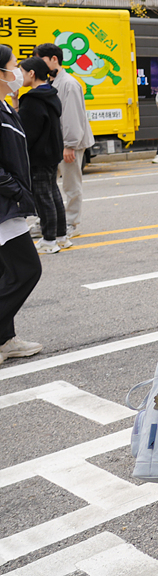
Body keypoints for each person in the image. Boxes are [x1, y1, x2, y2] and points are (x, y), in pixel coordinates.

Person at [0, 45, 43, 364]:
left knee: (9, 272)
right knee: (27, 269)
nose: (18, 72)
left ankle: (6, 339)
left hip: (8, 205)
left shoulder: (4, 106)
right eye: (14, 66)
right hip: (4, 206)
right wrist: (16, 191)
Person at [35, 43, 92, 238]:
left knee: (71, 184)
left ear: (54, 59)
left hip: (69, 143)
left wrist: (70, 145)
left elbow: (72, 117)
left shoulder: (68, 83)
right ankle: (49, 221)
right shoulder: (53, 82)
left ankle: (70, 222)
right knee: (48, 184)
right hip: (57, 142)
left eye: (41, 59)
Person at [18, 59, 69, 254]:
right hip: (52, 153)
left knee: (43, 197)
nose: (20, 76)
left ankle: (49, 240)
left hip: (39, 155)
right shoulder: (50, 94)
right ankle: (61, 236)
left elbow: (27, 133)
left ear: (31, 73)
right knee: (52, 193)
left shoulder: (32, 99)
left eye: (22, 72)